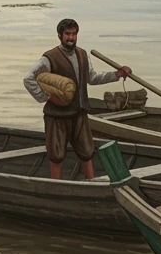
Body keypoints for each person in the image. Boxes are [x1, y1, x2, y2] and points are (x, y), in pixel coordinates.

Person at [23, 18, 132, 180]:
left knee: (87, 152)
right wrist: (47, 97)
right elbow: (29, 79)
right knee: (56, 155)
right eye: (67, 34)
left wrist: (116, 75)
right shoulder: (49, 58)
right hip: (57, 116)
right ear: (60, 35)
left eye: (74, 34)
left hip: (79, 113)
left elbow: (92, 78)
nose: (71, 38)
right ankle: (56, 188)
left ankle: (91, 184)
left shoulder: (82, 54)